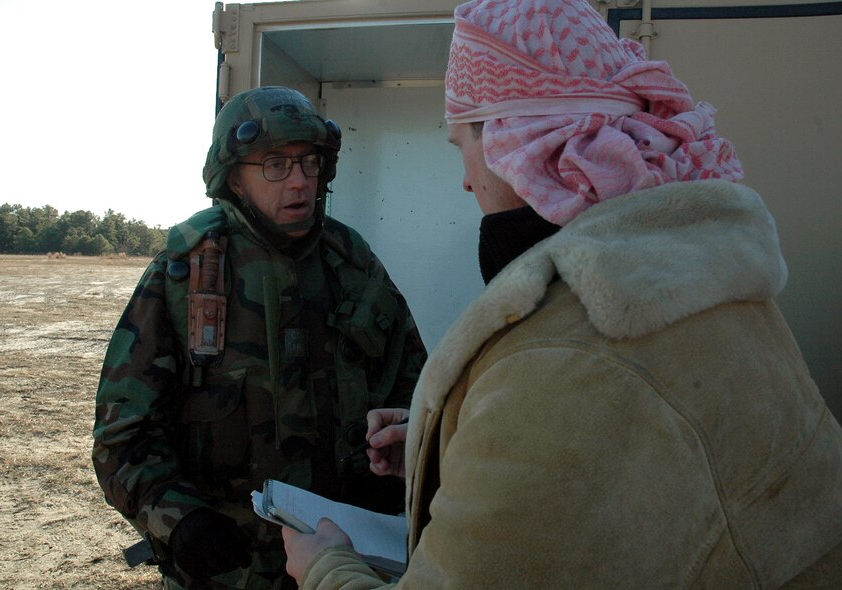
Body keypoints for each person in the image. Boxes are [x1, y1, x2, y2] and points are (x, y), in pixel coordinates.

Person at [280, 1, 842, 588]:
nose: (466, 180)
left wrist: (325, 566)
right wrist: (452, 442)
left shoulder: (555, 357)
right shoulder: (703, 280)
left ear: (514, 139)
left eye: (461, 147)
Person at [92, 86, 427, 590]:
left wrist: (398, 465)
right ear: (235, 180)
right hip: (227, 571)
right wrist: (181, 522)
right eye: (275, 164)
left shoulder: (352, 264)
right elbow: (123, 436)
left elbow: (416, 390)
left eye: (309, 163)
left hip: (345, 564)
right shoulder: (184, 277)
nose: (299, 182)